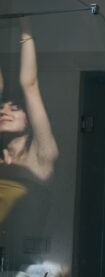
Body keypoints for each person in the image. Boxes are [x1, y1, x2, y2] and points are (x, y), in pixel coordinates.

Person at [0, 17, 58, 224]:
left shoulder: (41, 156)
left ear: (30, 121)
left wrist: (26, 27)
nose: (5, 111)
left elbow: (29, 85)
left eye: (15, 108)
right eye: (1, 107)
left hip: (23, 255)